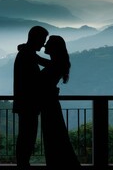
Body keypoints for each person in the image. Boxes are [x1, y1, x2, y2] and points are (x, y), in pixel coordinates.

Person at [40, 35, 81, 168]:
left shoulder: (56, 64)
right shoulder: (59, 63)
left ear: (54, 48)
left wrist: (26, 50)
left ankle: (57, 164)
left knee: (53, 134)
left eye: (48, 43)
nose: (45, 45)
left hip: (49, 104)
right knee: (56, 134)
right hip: (50, 103)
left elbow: (39, 60)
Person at [13, 25, 49, 168]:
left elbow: (41, 62)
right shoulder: (28, 54)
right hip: (28, 104)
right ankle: (23, 164)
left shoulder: (27, 52)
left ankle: (23, 163)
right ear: (36, 38)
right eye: (42, 40)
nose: (43, 44)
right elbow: (38, 75)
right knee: (27, 136)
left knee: (26, 135)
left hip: (24, 103)